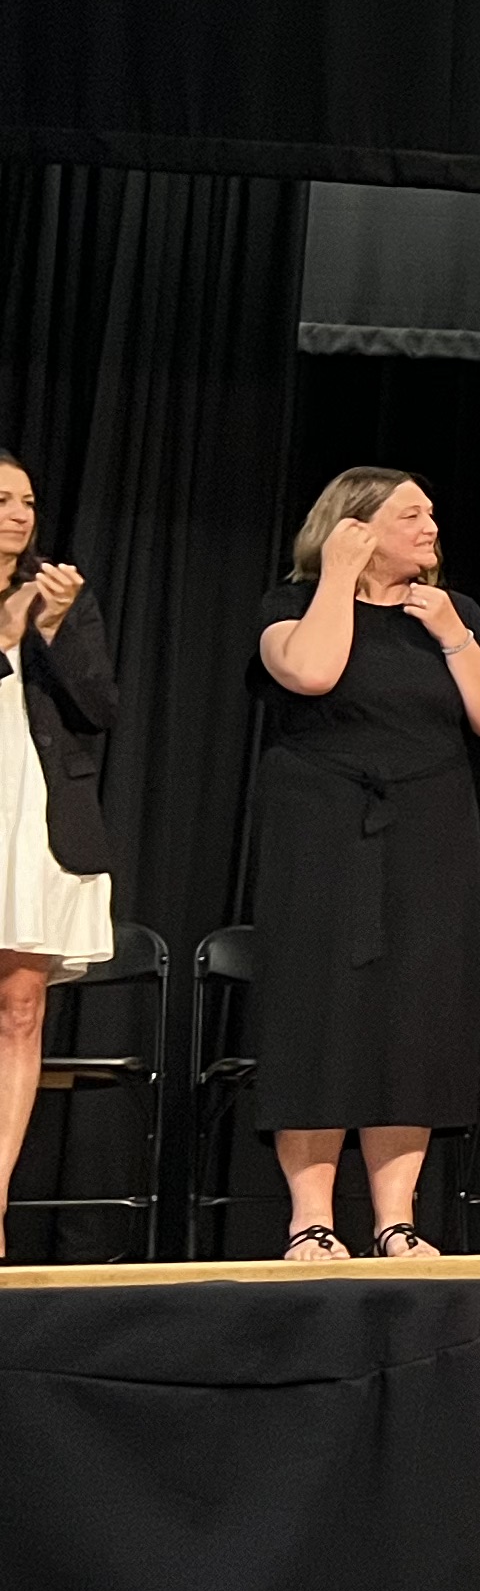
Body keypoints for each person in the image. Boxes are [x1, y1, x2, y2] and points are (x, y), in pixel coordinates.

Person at [252, 469, 480, 1259]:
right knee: (318, 1011)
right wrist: (338, 578)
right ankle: (311, 1220)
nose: (431, 525)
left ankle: (395, 1219)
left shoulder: (455, 612)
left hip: (429, 833)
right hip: (322, 833)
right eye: (412, 514)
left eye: (431, 512)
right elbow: (310, 672)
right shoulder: (288, 606)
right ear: (356, 526)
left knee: (415, 1017)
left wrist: (451, 633)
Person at [0, 453, 116, 1214]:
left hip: (34, 814)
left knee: (21, 1005)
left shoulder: (57, 594)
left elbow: (100, 708)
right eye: (1, 499)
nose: (19, 513)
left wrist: (52, 625)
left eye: (28, 500)